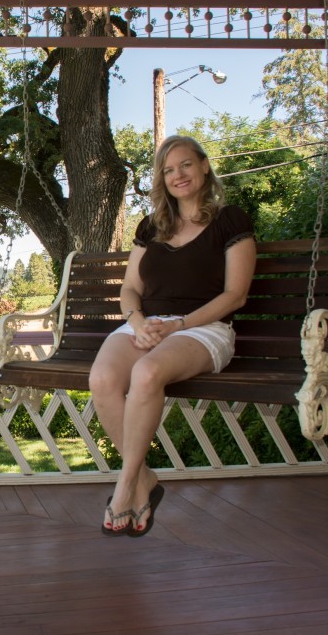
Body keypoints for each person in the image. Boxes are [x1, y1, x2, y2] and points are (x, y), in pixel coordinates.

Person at [89, 135, 256, 537]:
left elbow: (236, 294)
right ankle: (144, 479)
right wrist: (140, 320)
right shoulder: (152, 227)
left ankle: (125, 486)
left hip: (203, 329)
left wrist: (179, 325)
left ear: (203, 167)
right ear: (161, 180)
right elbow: (129, 288)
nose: (178, 175)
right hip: (148, 323)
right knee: (102, 379)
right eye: (168, 170)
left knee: (146, 372)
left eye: (185, 165)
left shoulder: (230, 220)